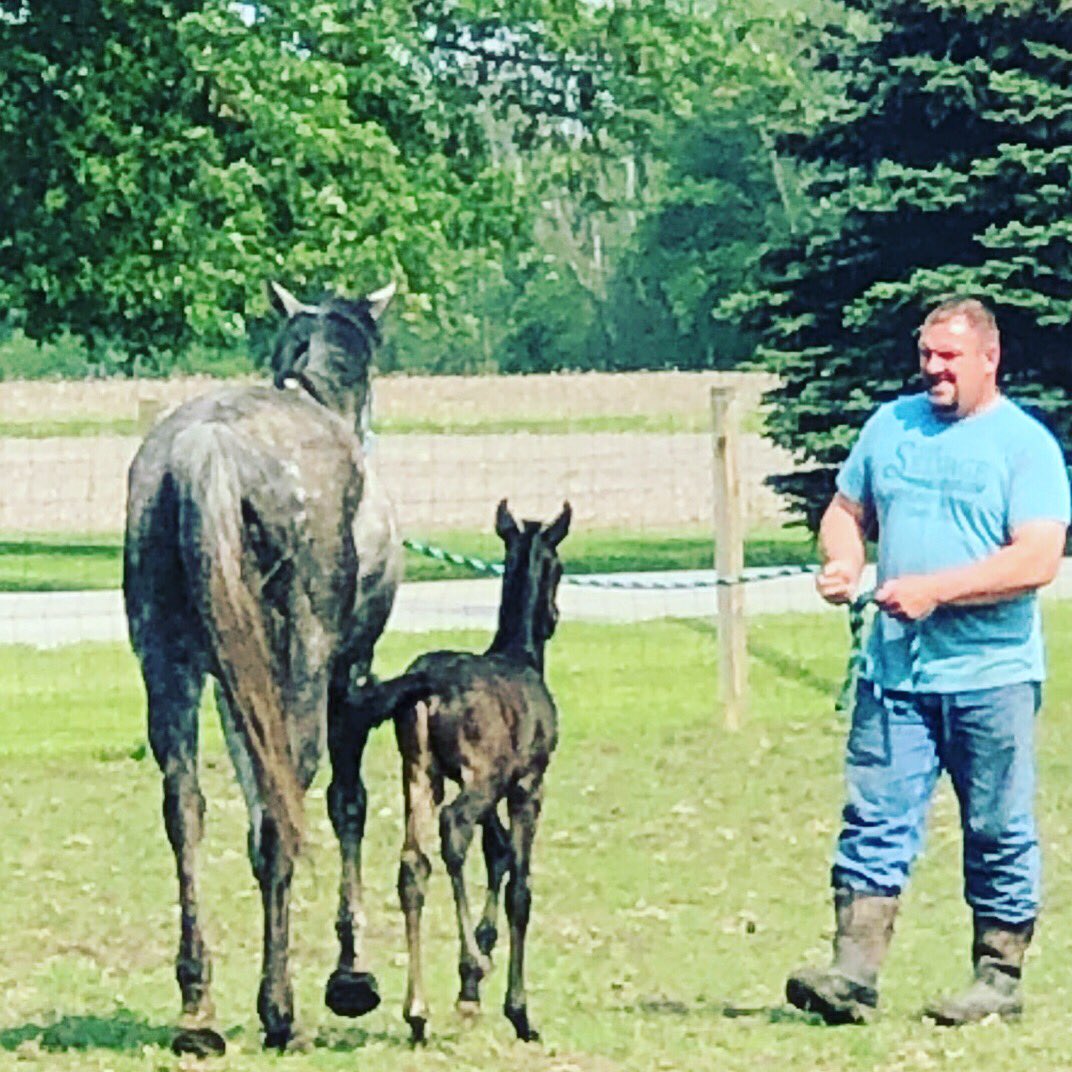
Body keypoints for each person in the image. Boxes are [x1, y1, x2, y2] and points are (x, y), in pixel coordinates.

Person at [786, 297, 1070, 1026]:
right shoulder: (893, 426)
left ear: (988, 359)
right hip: (896, 677)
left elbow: (1038, 558)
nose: (934, 369)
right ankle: (852, 976)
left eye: (949, 356)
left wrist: (935, 592)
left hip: (991, 678)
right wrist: (842, 564)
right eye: (926, 356)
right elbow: (847, 511)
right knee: (874, 818)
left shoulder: (1025, 446)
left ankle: (998, 978)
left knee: (998, 826)